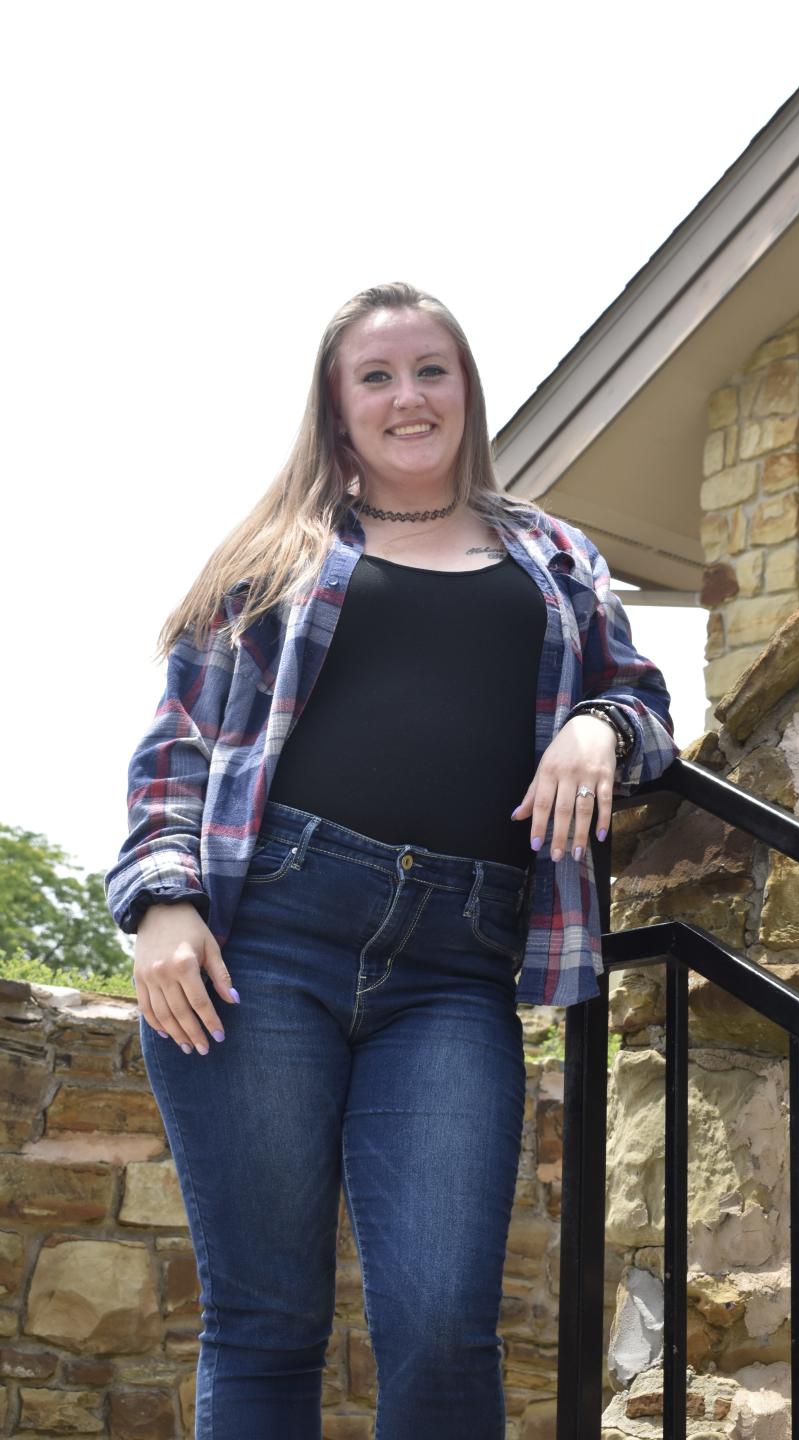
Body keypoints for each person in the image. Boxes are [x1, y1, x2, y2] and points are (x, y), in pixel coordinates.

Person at [104, 280, 680, 1439]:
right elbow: (179, 749)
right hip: (264, 942)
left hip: (456, 967)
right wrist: (161, 904)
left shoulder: (554, 554)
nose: (408, 397)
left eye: (432, 371)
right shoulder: (274, 555)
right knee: (266, 1323)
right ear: (336, 407)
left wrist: (597, 727)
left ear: (466, 391)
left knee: (443, 1327)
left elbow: (646, 705)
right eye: (377, 376)